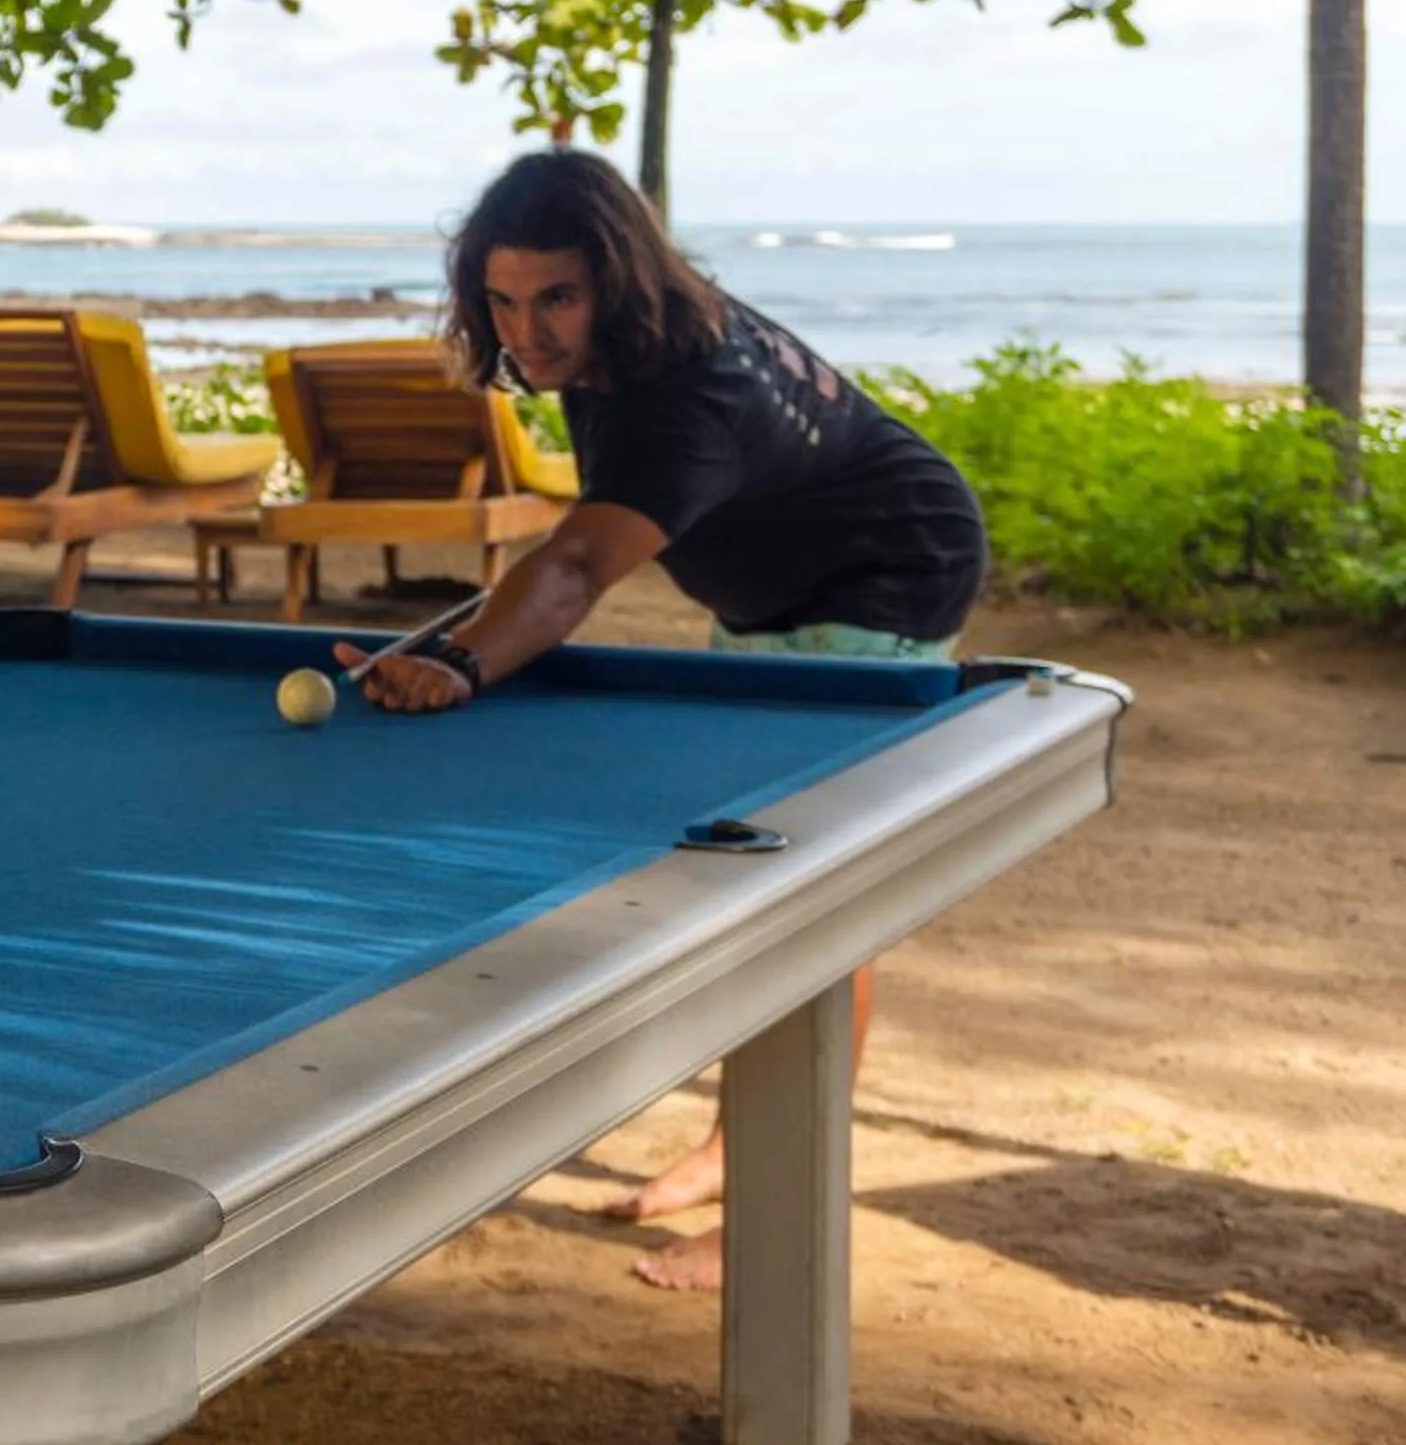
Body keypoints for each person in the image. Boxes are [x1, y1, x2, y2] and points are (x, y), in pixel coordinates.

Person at [341, 148, 986, 1293]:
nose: (527, 332)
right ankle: (739, 1148)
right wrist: (452, 646)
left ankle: (780, 1206)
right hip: (781, 594)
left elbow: (579, 564)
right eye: (502, 300)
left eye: (555, 297)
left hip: (885, 582)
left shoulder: (689, 390)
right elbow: (590, 533)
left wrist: (462, 666)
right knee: (765, 870)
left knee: (806, 888)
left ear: (618, 278)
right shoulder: (622, 343)